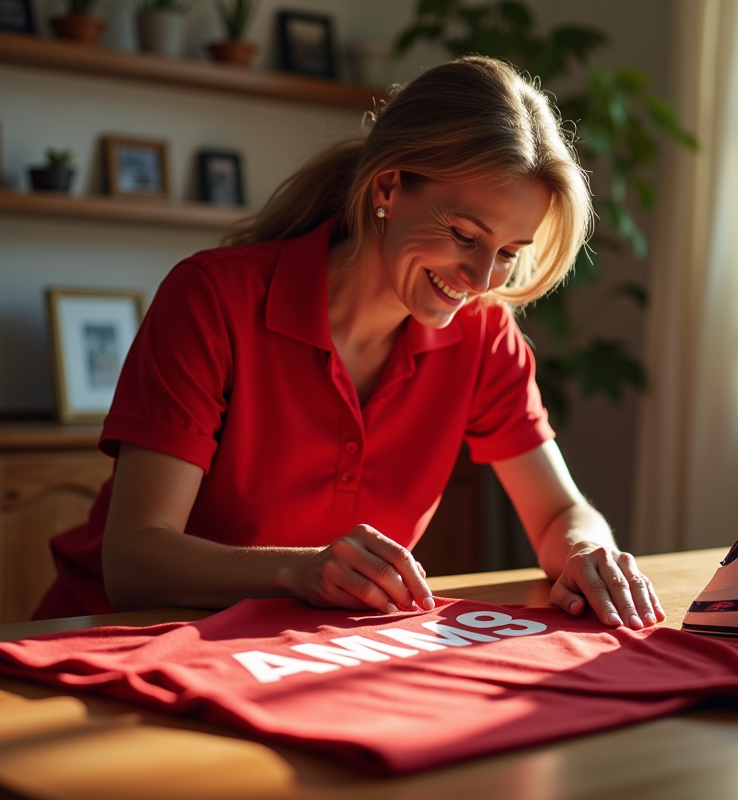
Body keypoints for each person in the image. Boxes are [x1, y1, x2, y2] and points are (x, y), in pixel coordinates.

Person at [34, 56, 665, 630]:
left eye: (507, 253)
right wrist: (301, 570)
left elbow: (560, 513)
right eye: (464, 235)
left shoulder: (484, 335)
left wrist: (590, 554)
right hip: (112, 643)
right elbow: (135, 559)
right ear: (387, 189)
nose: (480, 280)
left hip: (286, 654)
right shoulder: (212, 298)